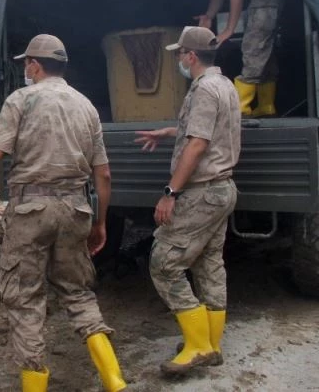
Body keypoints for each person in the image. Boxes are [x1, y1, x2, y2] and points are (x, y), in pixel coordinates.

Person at [0, 34, 127, 392]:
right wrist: (100, 221)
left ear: (35, 65)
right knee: (79, 293)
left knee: (25, 299)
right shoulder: (86, 106)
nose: (25, 68)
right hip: (75, 207)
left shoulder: (21, 100)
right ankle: (115, 381)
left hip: (31, 210)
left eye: (26, 62)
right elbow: (103, 173)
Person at [135, 27, 241, 376]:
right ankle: (212, 344)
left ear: (191, 56)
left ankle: (196, 347)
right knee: (209, 264)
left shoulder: (204, 89)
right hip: (222, 188)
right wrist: (168, 133)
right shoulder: (224, 85)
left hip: (202, 192)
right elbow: (207, 131)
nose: (178, 59)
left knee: (164, 264)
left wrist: (170, 193)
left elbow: (198, 144)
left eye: (180, 54)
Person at [167, 0, 286, 117]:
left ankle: (239, 108)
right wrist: (208, 15)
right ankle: (266, 105)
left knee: (254, 44)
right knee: (263, 49)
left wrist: (228, 30)